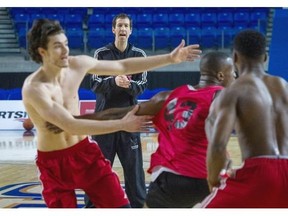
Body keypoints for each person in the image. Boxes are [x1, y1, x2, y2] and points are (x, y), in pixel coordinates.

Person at [21, 18, 201, 208]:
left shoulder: (78, 64)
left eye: (66, 44)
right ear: (42, 51)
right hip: (53, 163)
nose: (66, 50)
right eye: (58, 46)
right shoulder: (34, 88)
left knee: (121, 207)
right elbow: (70, 125)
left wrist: (170, 58)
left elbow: (124, 66)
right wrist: (122, 124)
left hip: (84, 152)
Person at [46, 51, 235, 208]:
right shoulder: (225, 98)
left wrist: (70, 121)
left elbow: (116, 114)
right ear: (220, 75)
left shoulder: (168, 97)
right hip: (205, 181)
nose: (235, 77)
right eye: (233, 73)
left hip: (166, 183)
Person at [199, 29, 288, 208]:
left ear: (235, 57)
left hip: (260, 173)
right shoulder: (284, 86)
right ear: (265, 58)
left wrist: (214, 181)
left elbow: (217, 146)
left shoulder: (233, 91)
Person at [86, 13, 147, 208]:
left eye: (125, 26)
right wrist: (113, 81)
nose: (122, 29)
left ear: (130, 30)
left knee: (134, 173)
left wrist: (126, 84)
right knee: (98, 171)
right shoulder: (101, 54)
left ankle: (138, 208)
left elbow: (142, 85)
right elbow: (94, 84)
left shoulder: (139, 56)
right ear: (113, 29)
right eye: (119, 25)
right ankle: (91, 208)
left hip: (130, 121)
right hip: (104, 123)